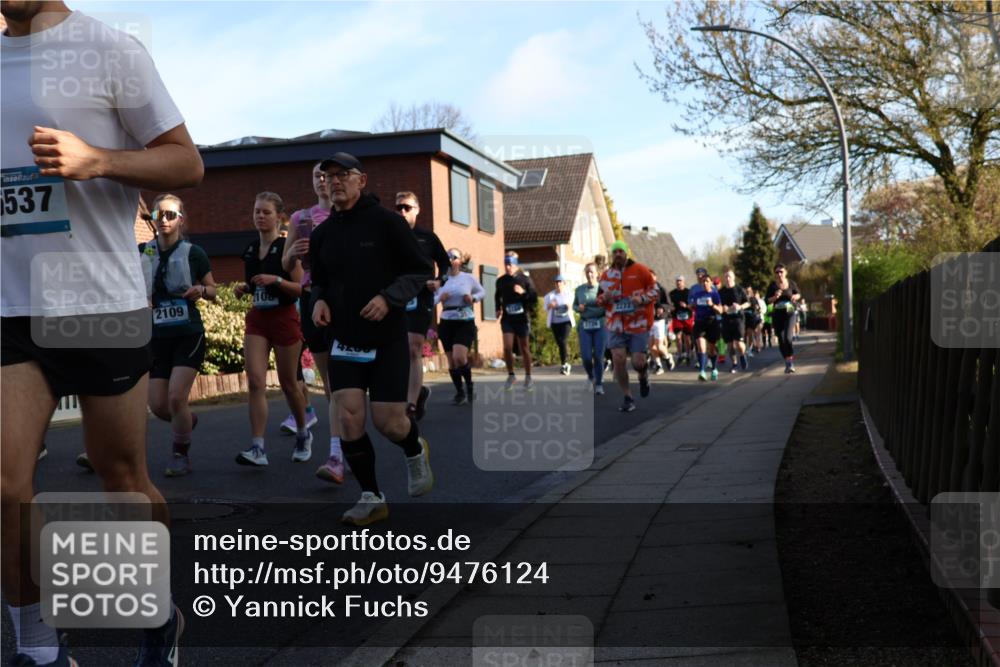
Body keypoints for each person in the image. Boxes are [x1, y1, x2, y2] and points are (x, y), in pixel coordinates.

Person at [1, 3, 203, 665]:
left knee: (122, 476)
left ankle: (158, 615)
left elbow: (185, 163)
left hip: (99, 302)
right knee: (5, 484)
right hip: (12, 305)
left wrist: (99, 161)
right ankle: (38, 647)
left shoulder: (111, 49)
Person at [309, 152, 433, 526]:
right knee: (347, 415)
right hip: (345, 337)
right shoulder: (322, 234)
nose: (334, 182)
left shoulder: (388, 223)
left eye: (343, 174)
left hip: (386, 337)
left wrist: (388, 298)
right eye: (328, 176)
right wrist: (318, 301)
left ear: (361, 180)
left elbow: (420, 270)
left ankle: (414, 448)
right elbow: (320, 281)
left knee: (389, 422)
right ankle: (371, 496)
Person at [234, 192, 312, 466]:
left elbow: (301, 288)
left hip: (284, 317)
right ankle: (257, 448)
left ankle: (303, 433)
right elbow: (255, 285)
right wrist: (244, 289)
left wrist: (276, 279)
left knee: (289, 383)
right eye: (256, 211)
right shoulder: (250, 250)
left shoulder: (286, 247)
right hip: (258, 318)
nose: (260, 216)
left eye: (266, 212)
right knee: (255, 381)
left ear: (279, 217)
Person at [142, 194, 215, 476]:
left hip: (188, 334)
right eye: (159, 214)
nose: (164, 220)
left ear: (180, 219)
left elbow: (213, 290)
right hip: (157, 337)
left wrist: (201, 290)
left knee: (175, 398)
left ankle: (180, 455)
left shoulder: (194, 253)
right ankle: (186, 421)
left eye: (170, 215)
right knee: (159, 405)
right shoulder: (144, 252)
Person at [396, 191, 449, 419]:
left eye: (407, 207)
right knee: (398, 350)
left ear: (417, 209)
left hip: (421, 297)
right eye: (398, 208)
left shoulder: (427, 237)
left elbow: (445, 265)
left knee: (413, 347)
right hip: (397, 297)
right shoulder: (391, 236)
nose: (402, 212)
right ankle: (417, 393)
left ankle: (410, 404)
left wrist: (438, 281)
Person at [597, 240, 658, 412]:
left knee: (638, 361)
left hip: (638, 324)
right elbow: (599, 300)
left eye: (620, 251)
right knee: (618, 359)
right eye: (614, 252)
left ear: (626, 253)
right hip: (615, 325)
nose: (617, 254)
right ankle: (627, 397)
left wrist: (642, 299)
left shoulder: (640, 270)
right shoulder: (606, 276)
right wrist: (605, 298)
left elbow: (655, 291)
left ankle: (643, 375)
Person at [434, 248, 485, 405]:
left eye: (454, 257)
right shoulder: (441, 280)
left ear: (460, 261)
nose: (450, 260)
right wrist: (439, 297)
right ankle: (459, 392)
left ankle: (469, 386)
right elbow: (430, 301)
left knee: (459, 357)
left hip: (464, 321)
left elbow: (482, 292)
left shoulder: (468, 278)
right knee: (451, 361)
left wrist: (473, 297)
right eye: (448, 257)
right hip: (446, 321)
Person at [495, 252, 537, 391]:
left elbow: (534, 298)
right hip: (507, 318)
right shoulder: (501, 281)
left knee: (524, 348)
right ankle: (511, 375)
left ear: (516, 264)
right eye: (506, 264)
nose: (508, 267)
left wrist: (523, 293)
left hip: (521, 318)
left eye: (511, 264)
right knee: (507, 347)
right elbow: (497, 296)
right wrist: (497, 308)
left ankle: (528, 376)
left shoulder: (525, 280)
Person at [574, 263, 606, 394]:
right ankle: (591, 376)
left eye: (592, 272)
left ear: (597, 274)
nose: (589, 274)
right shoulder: (579, 289)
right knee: (586, 357)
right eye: (587, 272)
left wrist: (602, 306)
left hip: (600, 325)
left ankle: (599, 384)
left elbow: (609, 305)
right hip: (585, 324)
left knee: (598, 356)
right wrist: (578, 308)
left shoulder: (603, 289)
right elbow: (574, 305)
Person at [766, 263, 801, 373]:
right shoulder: (772, 285)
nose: (779, 274)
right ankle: (787, 361)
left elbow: (799, 293)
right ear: (775, 274)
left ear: (785, 272)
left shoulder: (791, 283)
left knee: (788, 338)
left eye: (781, 271)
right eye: (777, 272)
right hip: (777, 314)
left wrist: (795, 296)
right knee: (781, 340)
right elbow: (767, 300)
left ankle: (790, 362)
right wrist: (775, 297)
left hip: (790, 313)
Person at [691, 271, 723, 381]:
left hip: (711, 323)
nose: (705, 283)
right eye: (703, 281)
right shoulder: (697, 295)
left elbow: (720, 310)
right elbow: (694, 307)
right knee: (701, 347)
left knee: (712, 349)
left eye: (707, 281)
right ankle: (702, 371)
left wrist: (712, 305)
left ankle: (714, 369)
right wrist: (692, 306)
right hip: (700, 323)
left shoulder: (715, 294)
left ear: (711, 283)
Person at [718, 269, 750, 374]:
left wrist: (740, 306)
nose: (727, 279)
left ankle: (742, 355)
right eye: (726, 277)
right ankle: (734, 364)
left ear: (733, 278)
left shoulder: (739, 289)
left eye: (729, 276)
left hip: (738, 319)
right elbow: (718, 306)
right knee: (730, 345)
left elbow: (748, 303)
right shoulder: (721, 292)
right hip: (726, 319)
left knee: (739, 344)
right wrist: (723, 308)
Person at [544, 276, 575, 375]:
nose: (558, 284)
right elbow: (545, 308)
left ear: (564, 284)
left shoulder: (569, 294)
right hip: (555, 322)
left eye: (560, 282)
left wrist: (568, 305)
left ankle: (564, 364)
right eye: (556, 283)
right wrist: (550, 305)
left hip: (566, 321)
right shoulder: (550, 296)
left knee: (563, 340)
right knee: (559, 343)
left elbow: (572, 305)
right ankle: (565, 361)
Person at [647, 271, 671, 374]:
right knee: (651, 346)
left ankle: (668, 356)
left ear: (655, 277)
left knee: (659, 346)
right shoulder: (645, 290)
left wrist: (661, 308)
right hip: (649, 320)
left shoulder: (661, 289)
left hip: (659, 320)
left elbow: (669, 304)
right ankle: (659, 365)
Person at [669, 275, 693, 365]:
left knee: (687, 337)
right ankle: (679, 354)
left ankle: (688, 353)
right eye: (677, 281)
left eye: (680, 281)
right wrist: (670, 308)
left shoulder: (689, 292)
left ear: (684, 282)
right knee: (678, 337)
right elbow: (668, 304)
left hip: (687, 317)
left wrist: (686, 306)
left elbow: (693, 305)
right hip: (677, 317)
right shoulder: (672, 293)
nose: (679, 283)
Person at [744, 286, 765, 354]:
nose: (748, 292)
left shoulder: (753, 298)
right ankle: (751, 347)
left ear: (751, 291)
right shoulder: (743, 299)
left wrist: (758, 308)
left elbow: (758, 307)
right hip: (747, 318)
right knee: (749, 334)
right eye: (747, 291)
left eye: (749, 291)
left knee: (756, 333)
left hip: (754, 318)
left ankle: (757, 346)